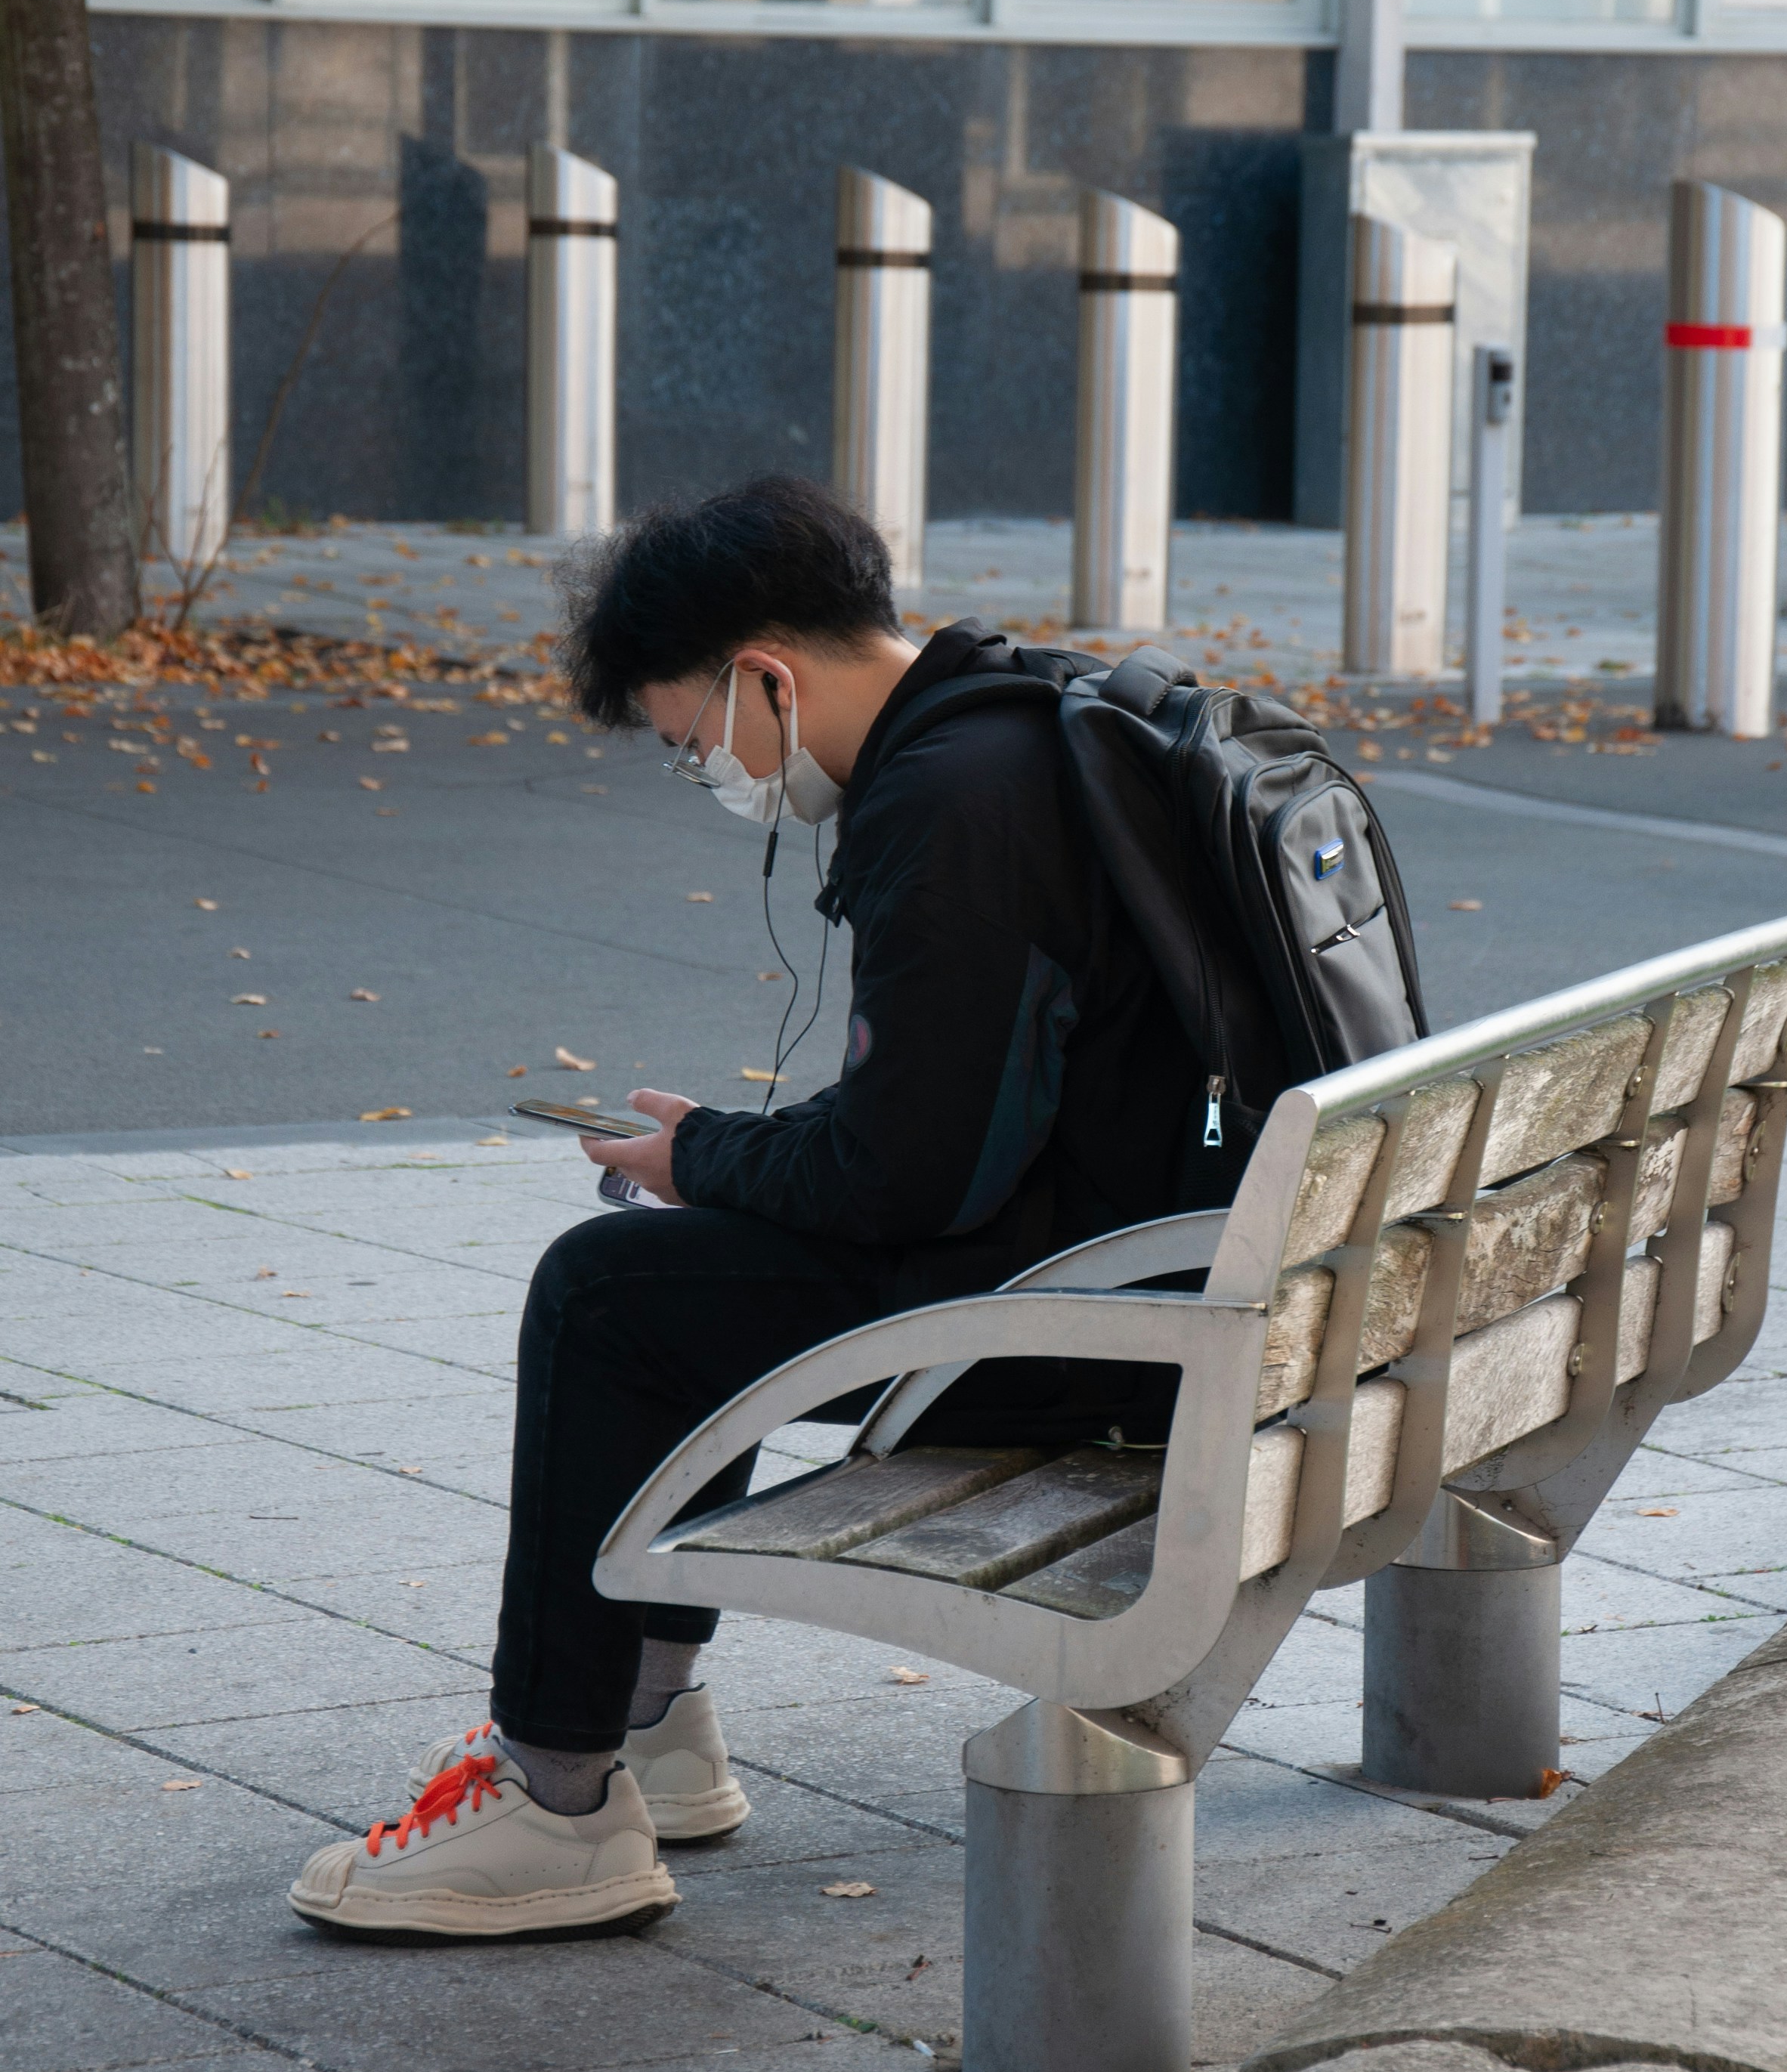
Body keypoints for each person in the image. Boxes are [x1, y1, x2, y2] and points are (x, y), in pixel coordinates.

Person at [289, 474, 1207, 1940]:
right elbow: (956, 1118)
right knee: (686, 1261)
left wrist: (708, 1157)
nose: (710, 773)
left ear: (766, 676)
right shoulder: (1032, 719)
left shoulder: (950, 804)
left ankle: (557, 1798)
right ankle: (650, 1725)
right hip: (1176, 1286)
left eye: (692, 740)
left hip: (1099, 1336)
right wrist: (722, 1158)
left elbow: (903, 1177)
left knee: (608, 1296)